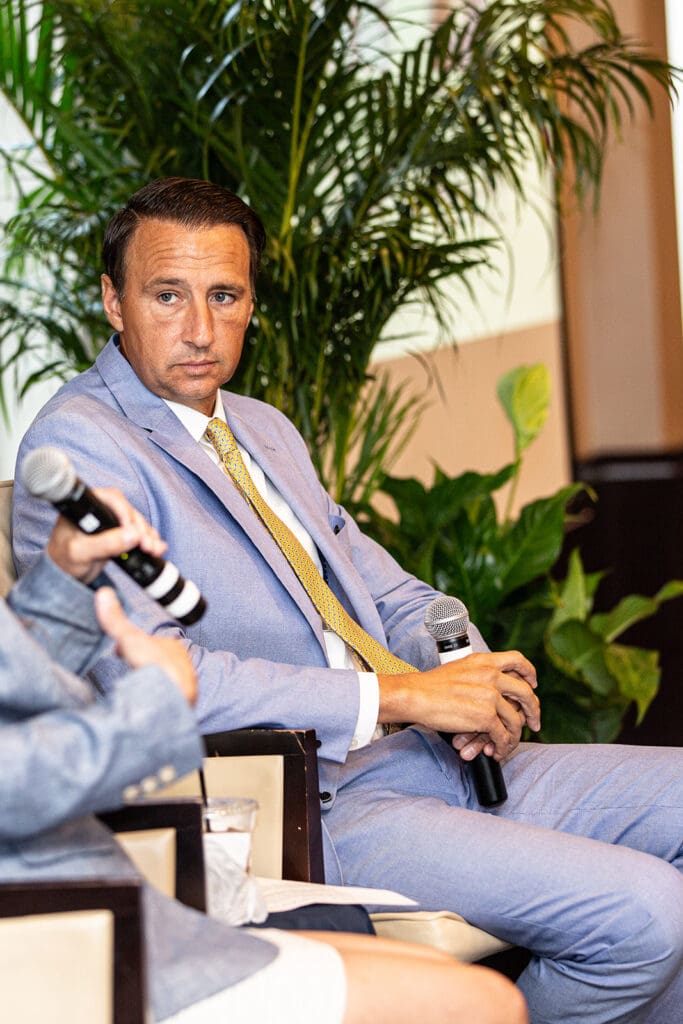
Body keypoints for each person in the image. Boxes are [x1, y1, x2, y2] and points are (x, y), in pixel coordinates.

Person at [12, 176, 683, 1024]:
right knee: (646, 916)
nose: (200, 330)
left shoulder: (262, 428)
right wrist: (401, 696)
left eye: (225, 296)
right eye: (167, 296)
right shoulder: (80, 446)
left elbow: (386, 591)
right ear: (114, 301)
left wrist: (466, 671)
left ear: (251, 303)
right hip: (307, 801)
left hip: (434, 759)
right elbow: (166, 682)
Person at [1, 489, 526, 1024]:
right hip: (57, 936)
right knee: (489, 1002)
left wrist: (59, 581)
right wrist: (154, 707)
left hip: (117, 897)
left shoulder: (274, 445)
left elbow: (11, 692)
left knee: (421, 965)